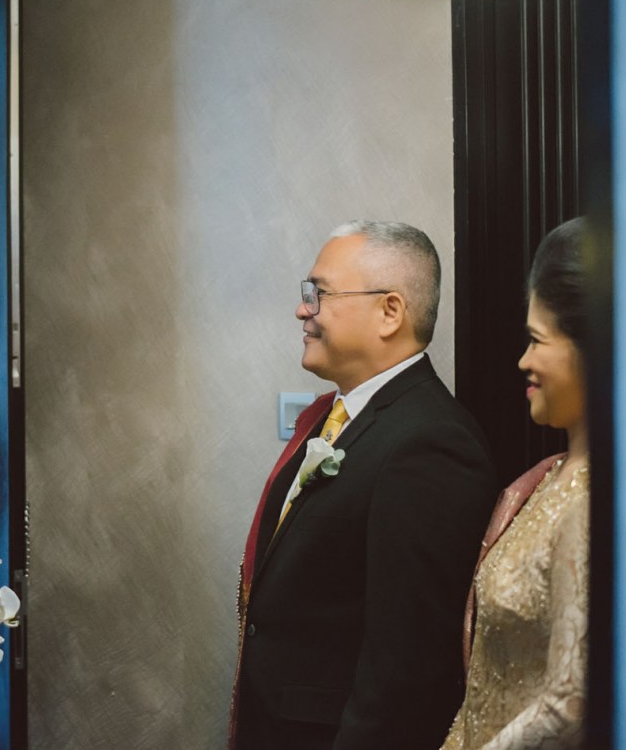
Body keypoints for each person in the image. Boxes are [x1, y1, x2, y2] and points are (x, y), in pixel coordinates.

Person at [231, 220, 498, 750]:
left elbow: (406, 670)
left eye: (319, 294)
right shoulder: (333, 418)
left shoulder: (431, 442)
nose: (302, 310)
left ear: (390, 312)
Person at [442, 217, 589, 749]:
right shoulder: (548, 479)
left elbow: (571, 705)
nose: (523, 361)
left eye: (536, 340)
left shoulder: (598, 503)